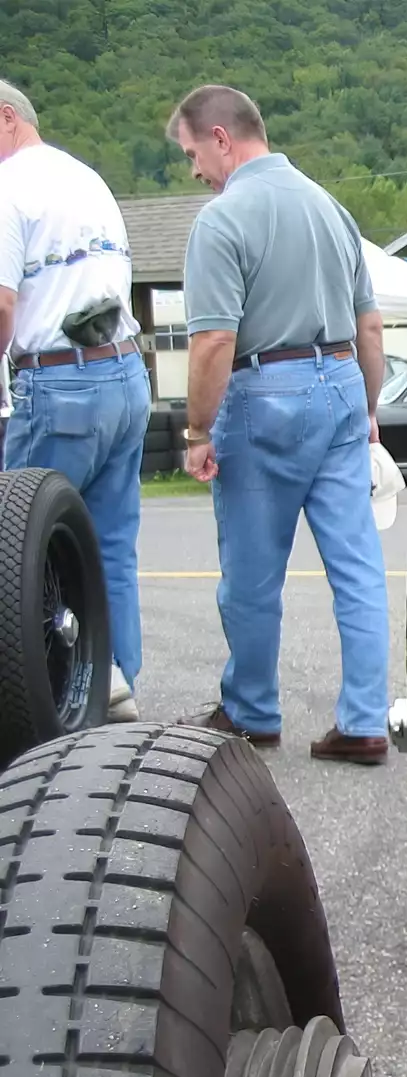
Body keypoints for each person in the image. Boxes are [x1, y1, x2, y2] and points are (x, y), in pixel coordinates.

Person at [168, 84, 391, 764]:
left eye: (192, 154)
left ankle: (252, 712)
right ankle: (364, 720)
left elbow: (213, 341)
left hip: (266, 392)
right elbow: (370, 326)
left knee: (253, 573)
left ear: (221, 138)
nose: (195, 171)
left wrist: (198, 432)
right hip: (341, 382)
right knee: (357, 567)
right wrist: (369, 410)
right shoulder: (330, 208)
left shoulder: (222, 220)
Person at [0, 79, 147, 722]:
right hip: (124, 374)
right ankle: (116, 683)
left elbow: (2, 302)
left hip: (58, 383)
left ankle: (40, 705)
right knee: (109, 544)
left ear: (7, 118)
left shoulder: (9, 186)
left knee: (21, 548)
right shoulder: (87, 180)